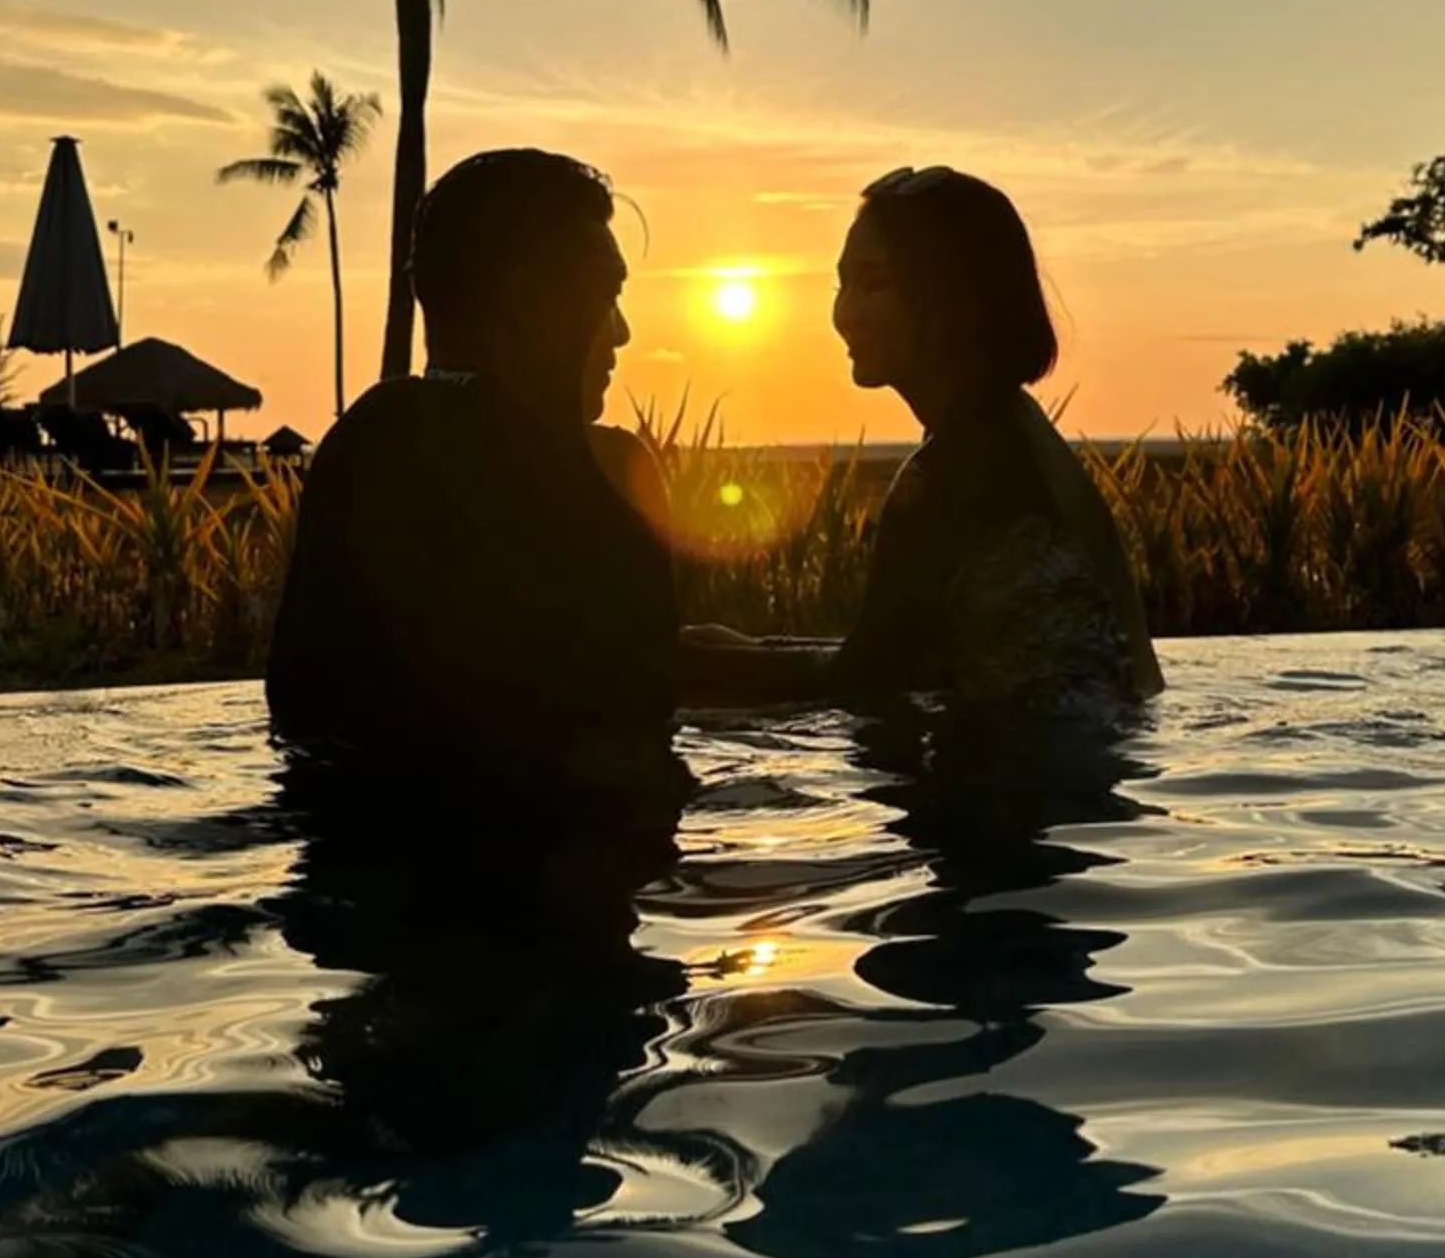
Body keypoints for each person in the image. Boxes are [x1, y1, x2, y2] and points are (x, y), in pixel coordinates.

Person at [267, 149, 685, 831]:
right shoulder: (600, 468)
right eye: (605, 295)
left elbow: (312, 705)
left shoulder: (363, 443)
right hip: (545, 875)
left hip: (363, 868)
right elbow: (646, 693)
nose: (623, 332)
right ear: (528, 303)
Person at [682, 166, 1162, 712]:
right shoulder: (1008, 428)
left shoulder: (959, 467)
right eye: (843, 284)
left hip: (1035, 779)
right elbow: (895, 657)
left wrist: (677, 660)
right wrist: (747, 648)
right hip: (1088, 764)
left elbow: (863, 679)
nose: (846, 314)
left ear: (954, 298)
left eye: (875, 284)